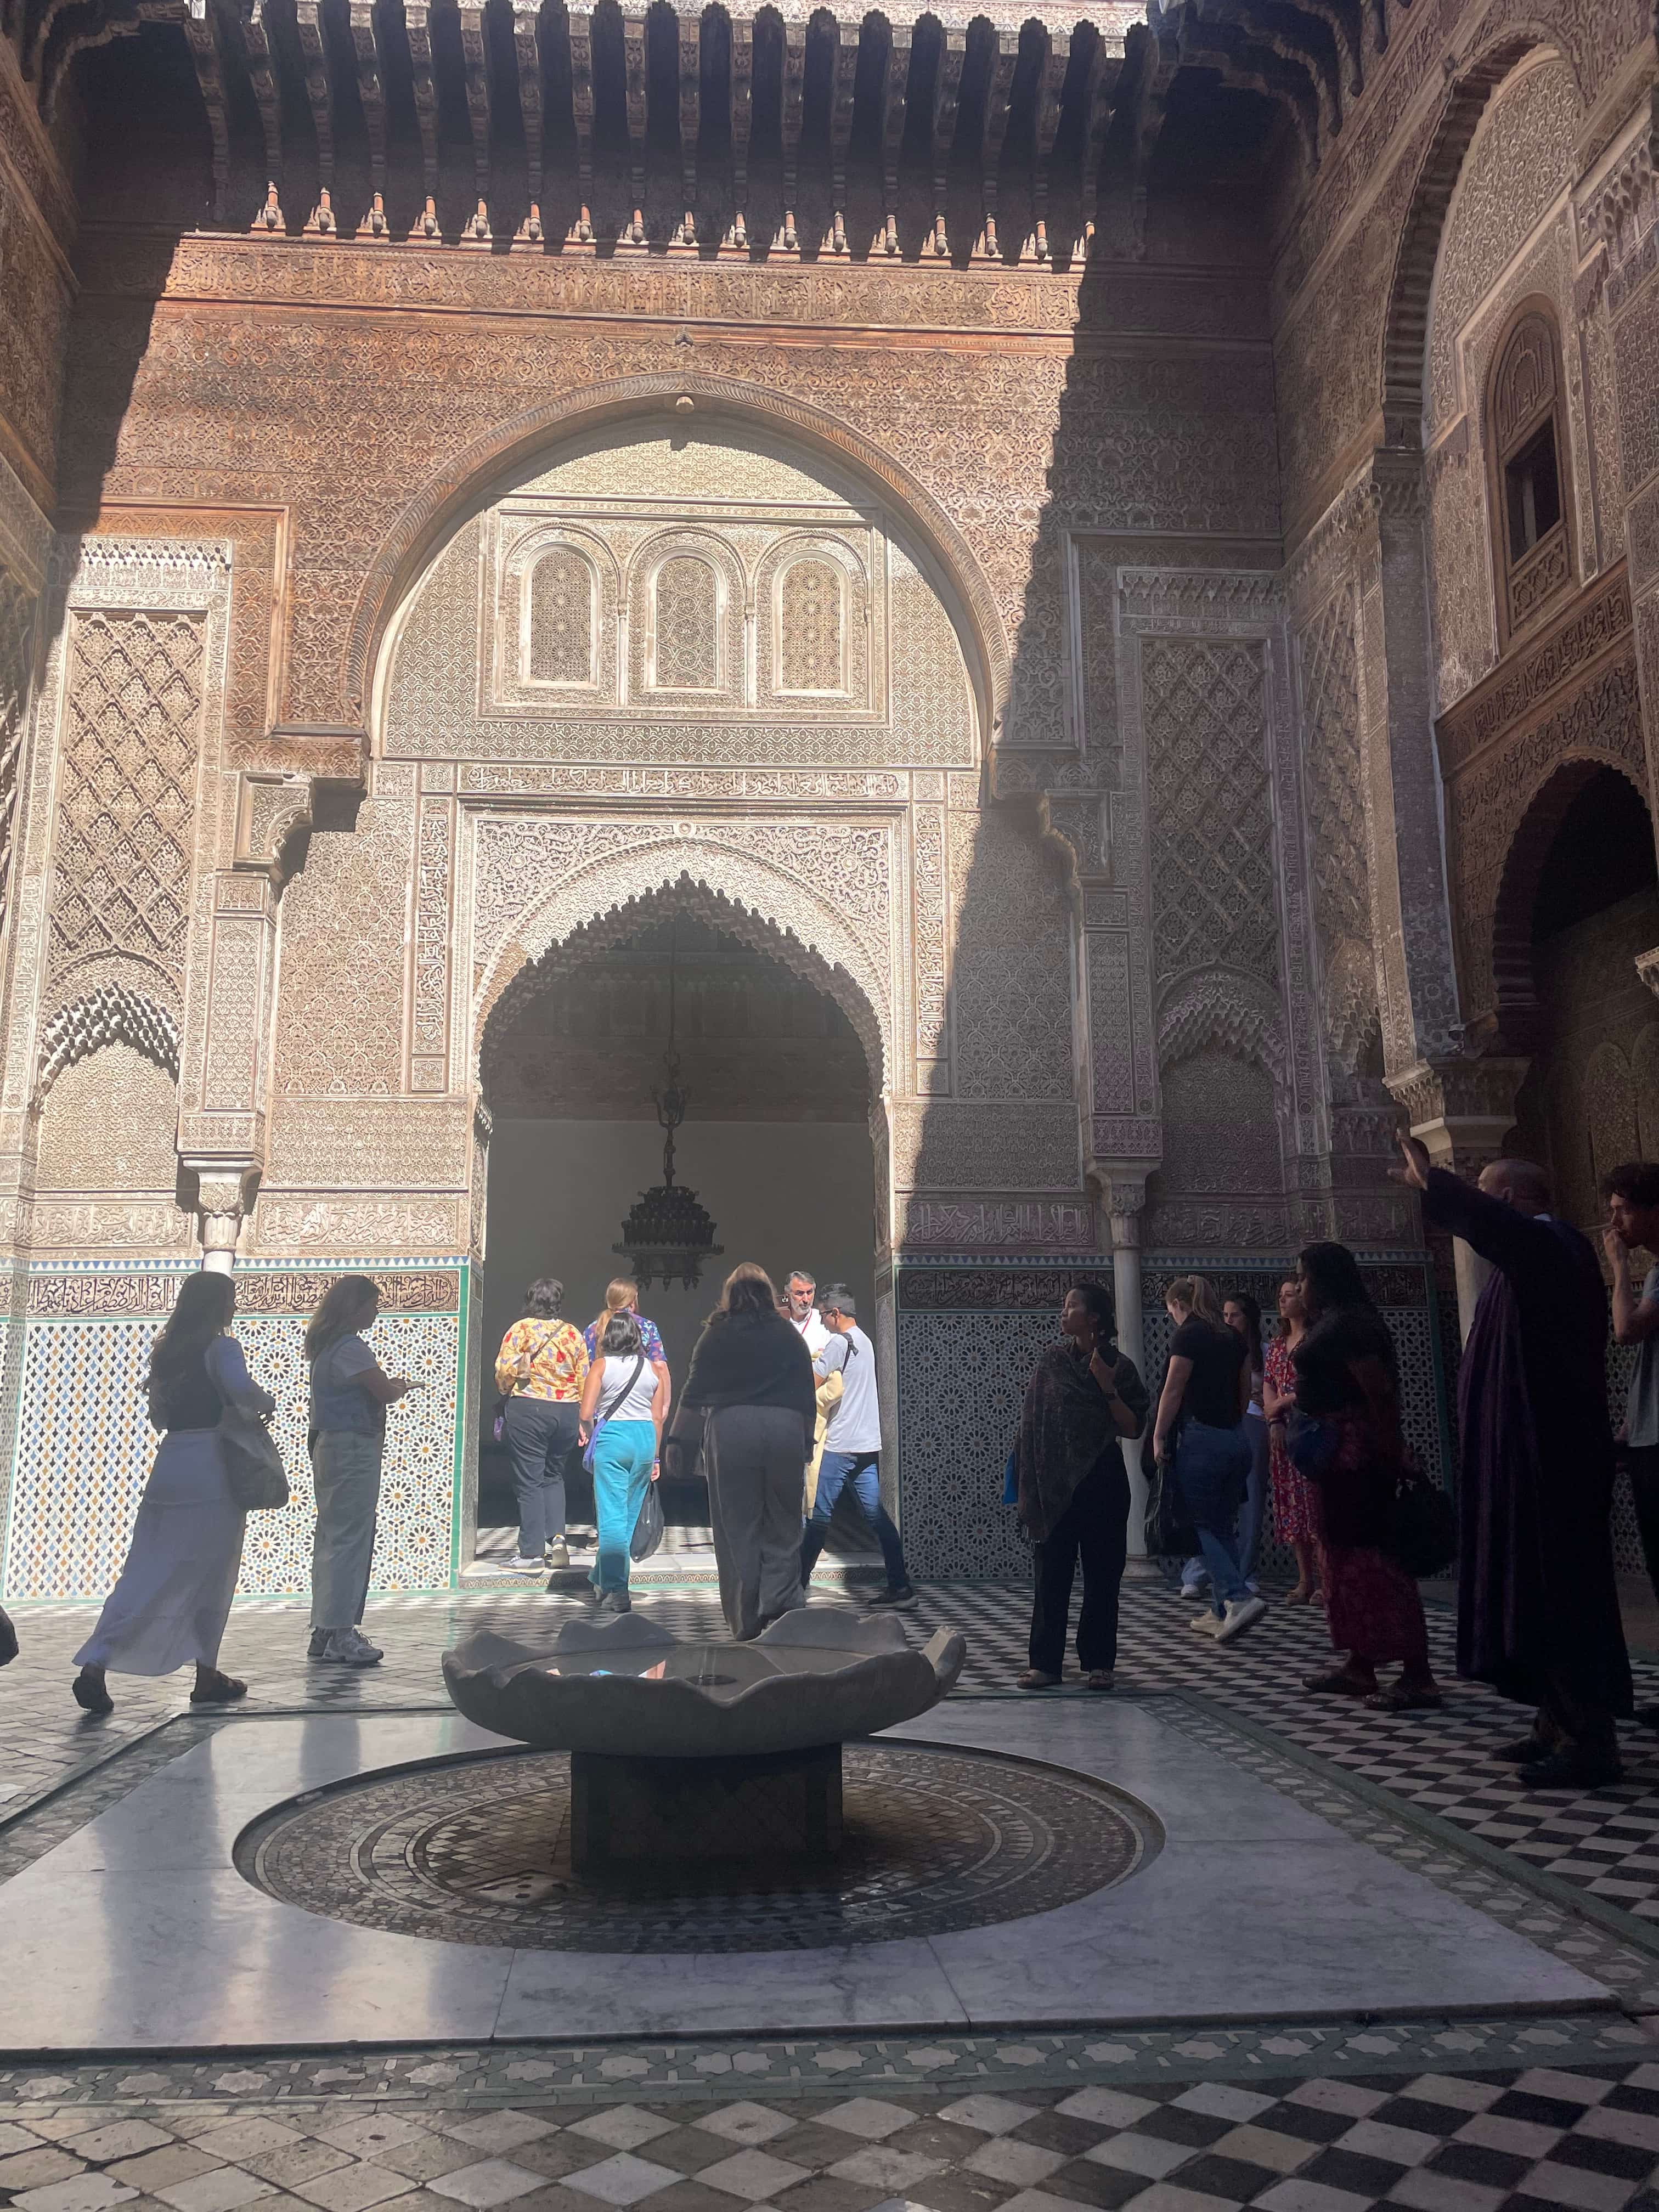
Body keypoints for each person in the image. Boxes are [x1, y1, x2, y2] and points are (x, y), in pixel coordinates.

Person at [1403, 1136, 1630, 1786]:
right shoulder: (1527, 1262)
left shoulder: (1553, 1245)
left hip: (1551, 1464)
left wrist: (1441, 1186)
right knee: (1529, 1590)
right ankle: (1554, 1721)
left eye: (1482, 1188)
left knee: (1561, 1594)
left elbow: (1508, 1237)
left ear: (1505, 1199)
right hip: (1524, 1461)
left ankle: (1592, 1739)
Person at [71, 1271, 272, 1715]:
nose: (234, 1308)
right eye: (230, 1300)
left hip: (172, 1464)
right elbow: (242, 1392)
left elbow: (158, 1418)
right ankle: (205, 1676)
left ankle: (96, 1665)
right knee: (214, 1573)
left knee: (146, 1570)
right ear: (217, 1304)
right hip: (212, 1468)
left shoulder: (168, 1354)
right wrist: (266, 1402)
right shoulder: (222, 1347)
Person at [1293, 1239, 1441, 1713]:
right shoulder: (1336, 1322)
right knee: (1342, 1559)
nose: (1300, 1287)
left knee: (1376, 1560)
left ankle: (1418, 1675)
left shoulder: (1353, 1326)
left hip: (1356, 1458)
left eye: (1305, 1277)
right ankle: (1361, 1664)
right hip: (1337, 1458)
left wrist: (1389, 1452)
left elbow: (1378, 1395)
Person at [1015, 1282, 1149, 1691]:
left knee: (1102, 1576)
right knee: (1051, 1575)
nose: (1063, 1312)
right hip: (1053, 1484)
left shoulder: (1119, 1366)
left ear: (1094, 1318)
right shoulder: (1052, 1362)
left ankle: (1099, 1663)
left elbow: (1133, 1427)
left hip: (1102, 1482)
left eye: (1072, 1306)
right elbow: (1032, 1424)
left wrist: (1106, 1386)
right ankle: (1045, 1663)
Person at [680, 1261, 818, 1639]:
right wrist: (806, 1441)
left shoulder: (717, 1335)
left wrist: (678, 1444)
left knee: (737, 1526)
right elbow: (806, 1394)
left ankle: (746, 1618)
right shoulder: (789, 1337)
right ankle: (782, 1607)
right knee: (785, 1522)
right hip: (785, 1428)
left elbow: (693, 1394)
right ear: (770, 1294)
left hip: (732, 1429)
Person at [306, 1274, 421, 1667]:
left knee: (333, 1538)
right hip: (351, 1450)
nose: (377, 1310)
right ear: (353, 1307)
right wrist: (401, 1385)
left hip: (331, 1447)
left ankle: (323, 1630)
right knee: (350, 1540)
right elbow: (383, 1392)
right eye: (372, 1304)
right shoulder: (351, 1348)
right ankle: (340, 1633)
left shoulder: (328, 1347)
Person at [1153, 1274, 1262, 1642]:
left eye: (1171, 1312)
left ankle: (1237, 1595)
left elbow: (1173, 1390)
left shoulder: (1189, 1335)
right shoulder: (1233, 1337)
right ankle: (1221, 1610)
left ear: (1178, 1306)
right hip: (1236, 1440)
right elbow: (1245, 1390)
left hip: (1202, 1441)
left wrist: (1158, 1435)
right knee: (1221, 1525)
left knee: (1201, 1525)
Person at [803, 1285, 916, 1606]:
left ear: (836, 1314)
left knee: (819, 1517)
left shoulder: (841, 1342)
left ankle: (795, 1584)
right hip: (867, 1443)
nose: (822, 1321)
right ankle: (900, 1586)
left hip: (842, 1444)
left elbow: (810, 1382)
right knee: (876, 1517)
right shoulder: (864, 1341)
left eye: (824, 1314)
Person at [579, 1308, 669, 1613]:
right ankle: (602, 1578)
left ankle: (617, 1590)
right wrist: (656, 1456)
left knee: (612, 1519)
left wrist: (592, 1436)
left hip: (613, 1439)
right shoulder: (653, 1370)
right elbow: (657, 1417)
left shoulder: (601, 1366)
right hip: (644, 1440)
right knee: (628, 1517)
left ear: (608, 1338)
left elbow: (586, 1412)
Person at [495, 1277, 589, 1573]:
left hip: (529, 1409)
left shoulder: (520, 1330)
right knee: (555, 1476)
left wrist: (509, 1383)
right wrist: (584, 1419)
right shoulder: (573, 1334)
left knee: (530, 1480)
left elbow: (503, 1374)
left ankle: (532, 1553)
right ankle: (558, 1539)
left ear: (531, 1300)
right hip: (567, 1412)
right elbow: (585, 1376)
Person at [1604, 1164, 1659, 1657]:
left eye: (1623, 1210)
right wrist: (1630, 1422)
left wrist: (1619, 1267)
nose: (1615, 1223)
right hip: (1648, 1436)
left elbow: (1626, 1332)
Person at [1263, 1276, 1319, 1604]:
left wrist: (1282, 1404)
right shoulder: (1276, 1344)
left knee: (1314, 1505)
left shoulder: (1315, 1340)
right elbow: (1270, 1380)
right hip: (1284, 1433)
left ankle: (1327, 1581)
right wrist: (1273, 1418)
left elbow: (1314, 1386)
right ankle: (1304, 1579)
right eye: (1280, 1296)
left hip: (1311, 1429)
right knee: (1294, 1508)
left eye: (1289, 1295)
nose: (1283, 1301)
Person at [1224, 1291, 1268, 1595]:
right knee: (1219, 1500)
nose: (1228, 1322)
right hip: (1225, 1426)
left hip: (1255, 1424)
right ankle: (1204, 1569)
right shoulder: (1220, 1349)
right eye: (1224, 1316)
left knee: (1252, 1499)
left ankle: (1246, 1569)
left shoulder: (1264, 1351)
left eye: (1234, 1315)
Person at [783, 1269, 830, 1359]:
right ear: (788, 1294)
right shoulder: (779, 1321)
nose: (806, 1299)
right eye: (800, 1293)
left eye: (809, 1293)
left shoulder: (824, 1320)